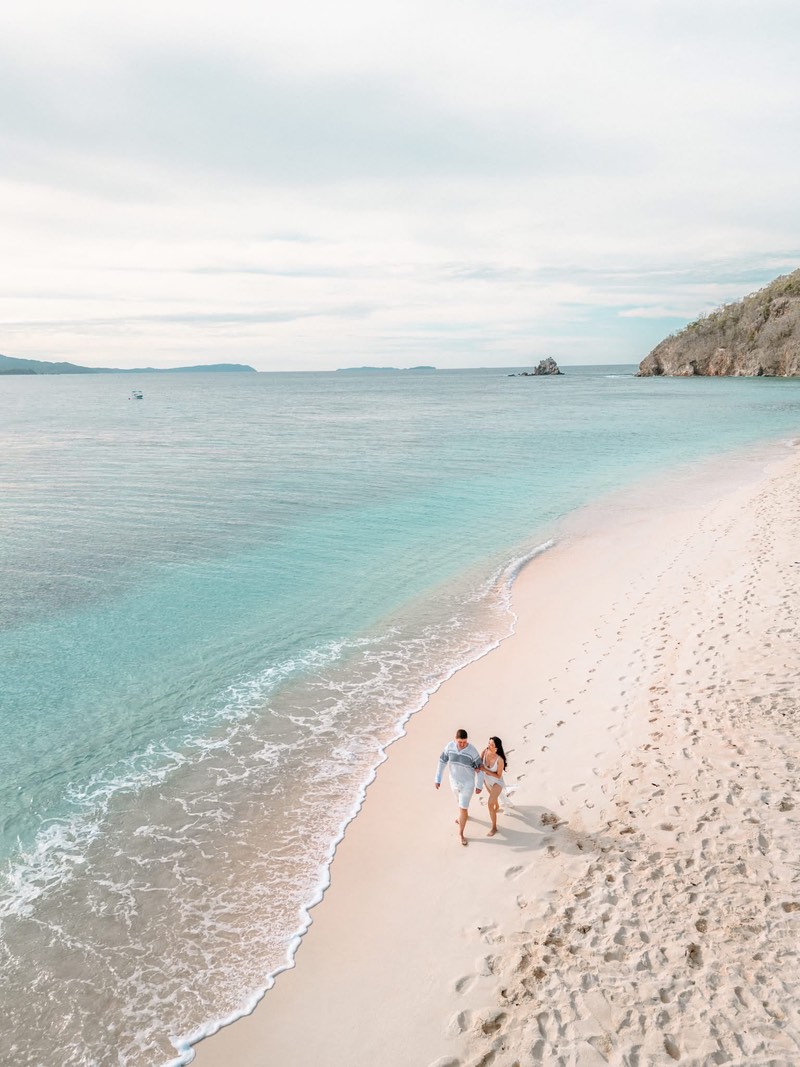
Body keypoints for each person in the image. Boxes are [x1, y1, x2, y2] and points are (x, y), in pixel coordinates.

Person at [434, 728, 484, 846]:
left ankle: (461, 834)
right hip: (454, 782)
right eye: (460, 742)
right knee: (459, 803)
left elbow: (480, 769)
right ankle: (464, 816)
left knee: (463, 807)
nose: (462, 744)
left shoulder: (472, 751)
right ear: (455, 739)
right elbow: (441, 762)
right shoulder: (449, 747)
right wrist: (437, 779)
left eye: (464, 742)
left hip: (468, 783)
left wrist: (479, 785)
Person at [480, 736, 508, 837]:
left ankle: (494, 827)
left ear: (496, 748)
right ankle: (497, 806)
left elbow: (498, 775)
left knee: (490, 803)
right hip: (487, 780)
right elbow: (479, 763)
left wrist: (485, 770)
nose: (489, 746)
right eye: (489, 743)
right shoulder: (485, 752)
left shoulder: (500, 760)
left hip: (497, 782)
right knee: (493, 800)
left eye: (491, 745)